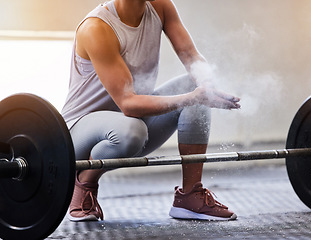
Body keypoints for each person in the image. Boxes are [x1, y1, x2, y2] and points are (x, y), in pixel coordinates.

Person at [61, 0, 240, 222]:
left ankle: (190, 195)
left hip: (131, 125)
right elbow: (128, 103)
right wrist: (192, 98)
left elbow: (191, 56)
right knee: (133, 128)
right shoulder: (97, 28)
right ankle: (85, 181)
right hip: (79, 133)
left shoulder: (161, 7)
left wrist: (209, 89)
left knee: (193, 86)